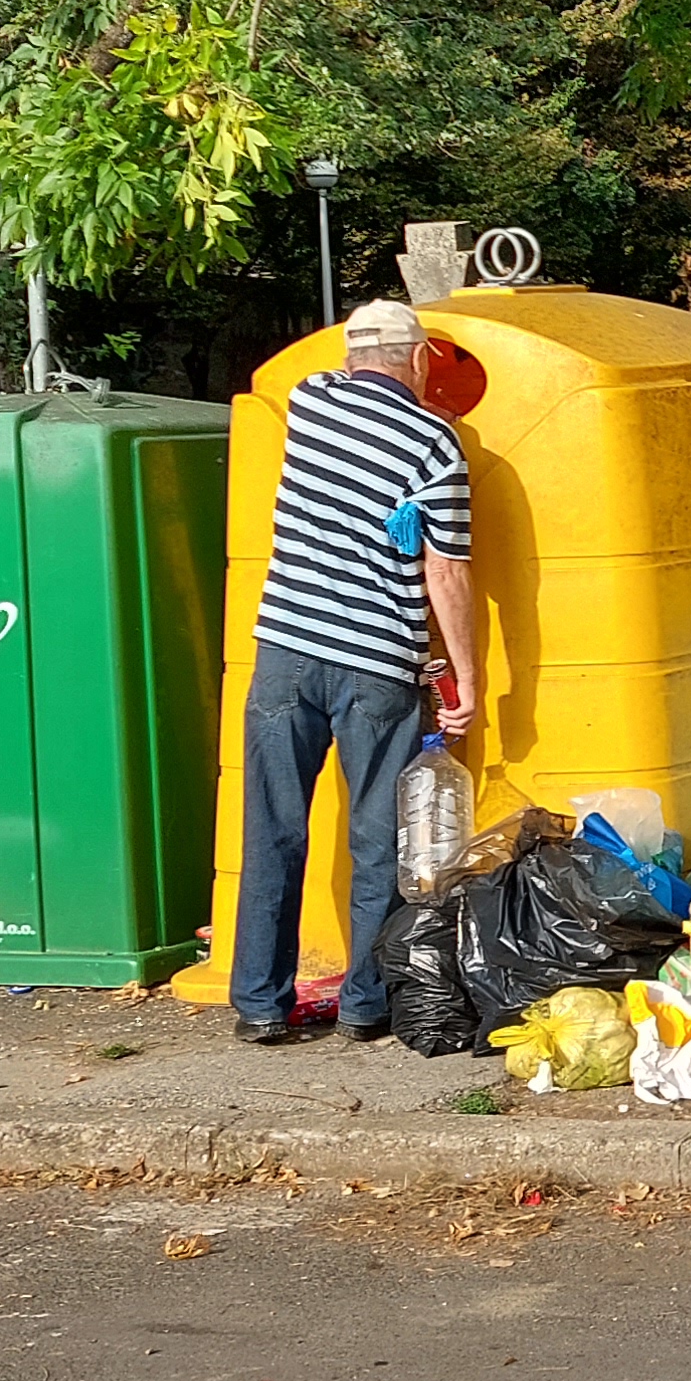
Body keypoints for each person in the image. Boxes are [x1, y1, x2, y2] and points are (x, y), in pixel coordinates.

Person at [228, 299, 483, 1044]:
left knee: (272, 830)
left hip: (284, 652)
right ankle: (365, 1006)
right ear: (421, 358)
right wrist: (462, 677)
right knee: (380, 840)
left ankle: (259, 1004)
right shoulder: (437, 445)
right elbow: (447, 572)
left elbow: (336, 383)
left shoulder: (308, 401)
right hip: (376, 662)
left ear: (348, 357)